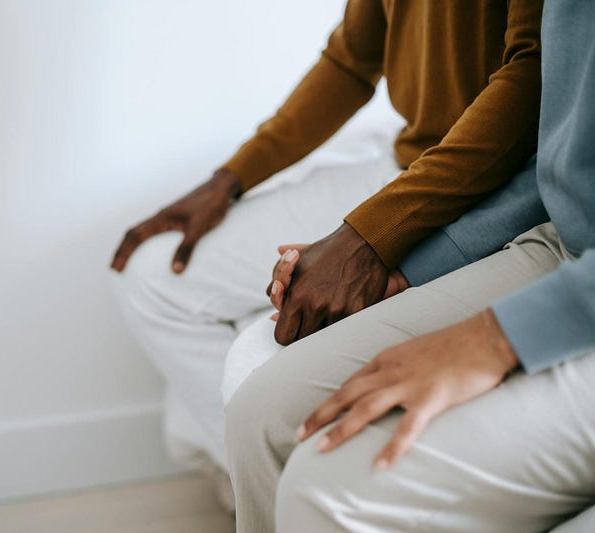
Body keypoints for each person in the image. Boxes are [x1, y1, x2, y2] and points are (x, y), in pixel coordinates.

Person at [111, 0, 542, 480]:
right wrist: (229, 179)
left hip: (494, 186)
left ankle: (299, 496)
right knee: (154, 276)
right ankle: (264, 493)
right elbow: (351, 59)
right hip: (405, 161)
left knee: (261, 359)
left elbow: (533, 77)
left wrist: (366, 237)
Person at [224, 0, 595, 530]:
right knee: (259, 414)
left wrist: (494, 338)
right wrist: (406, 265)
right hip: (563, 241)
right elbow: (557, 158)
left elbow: (523, 79)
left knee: (326, 490)